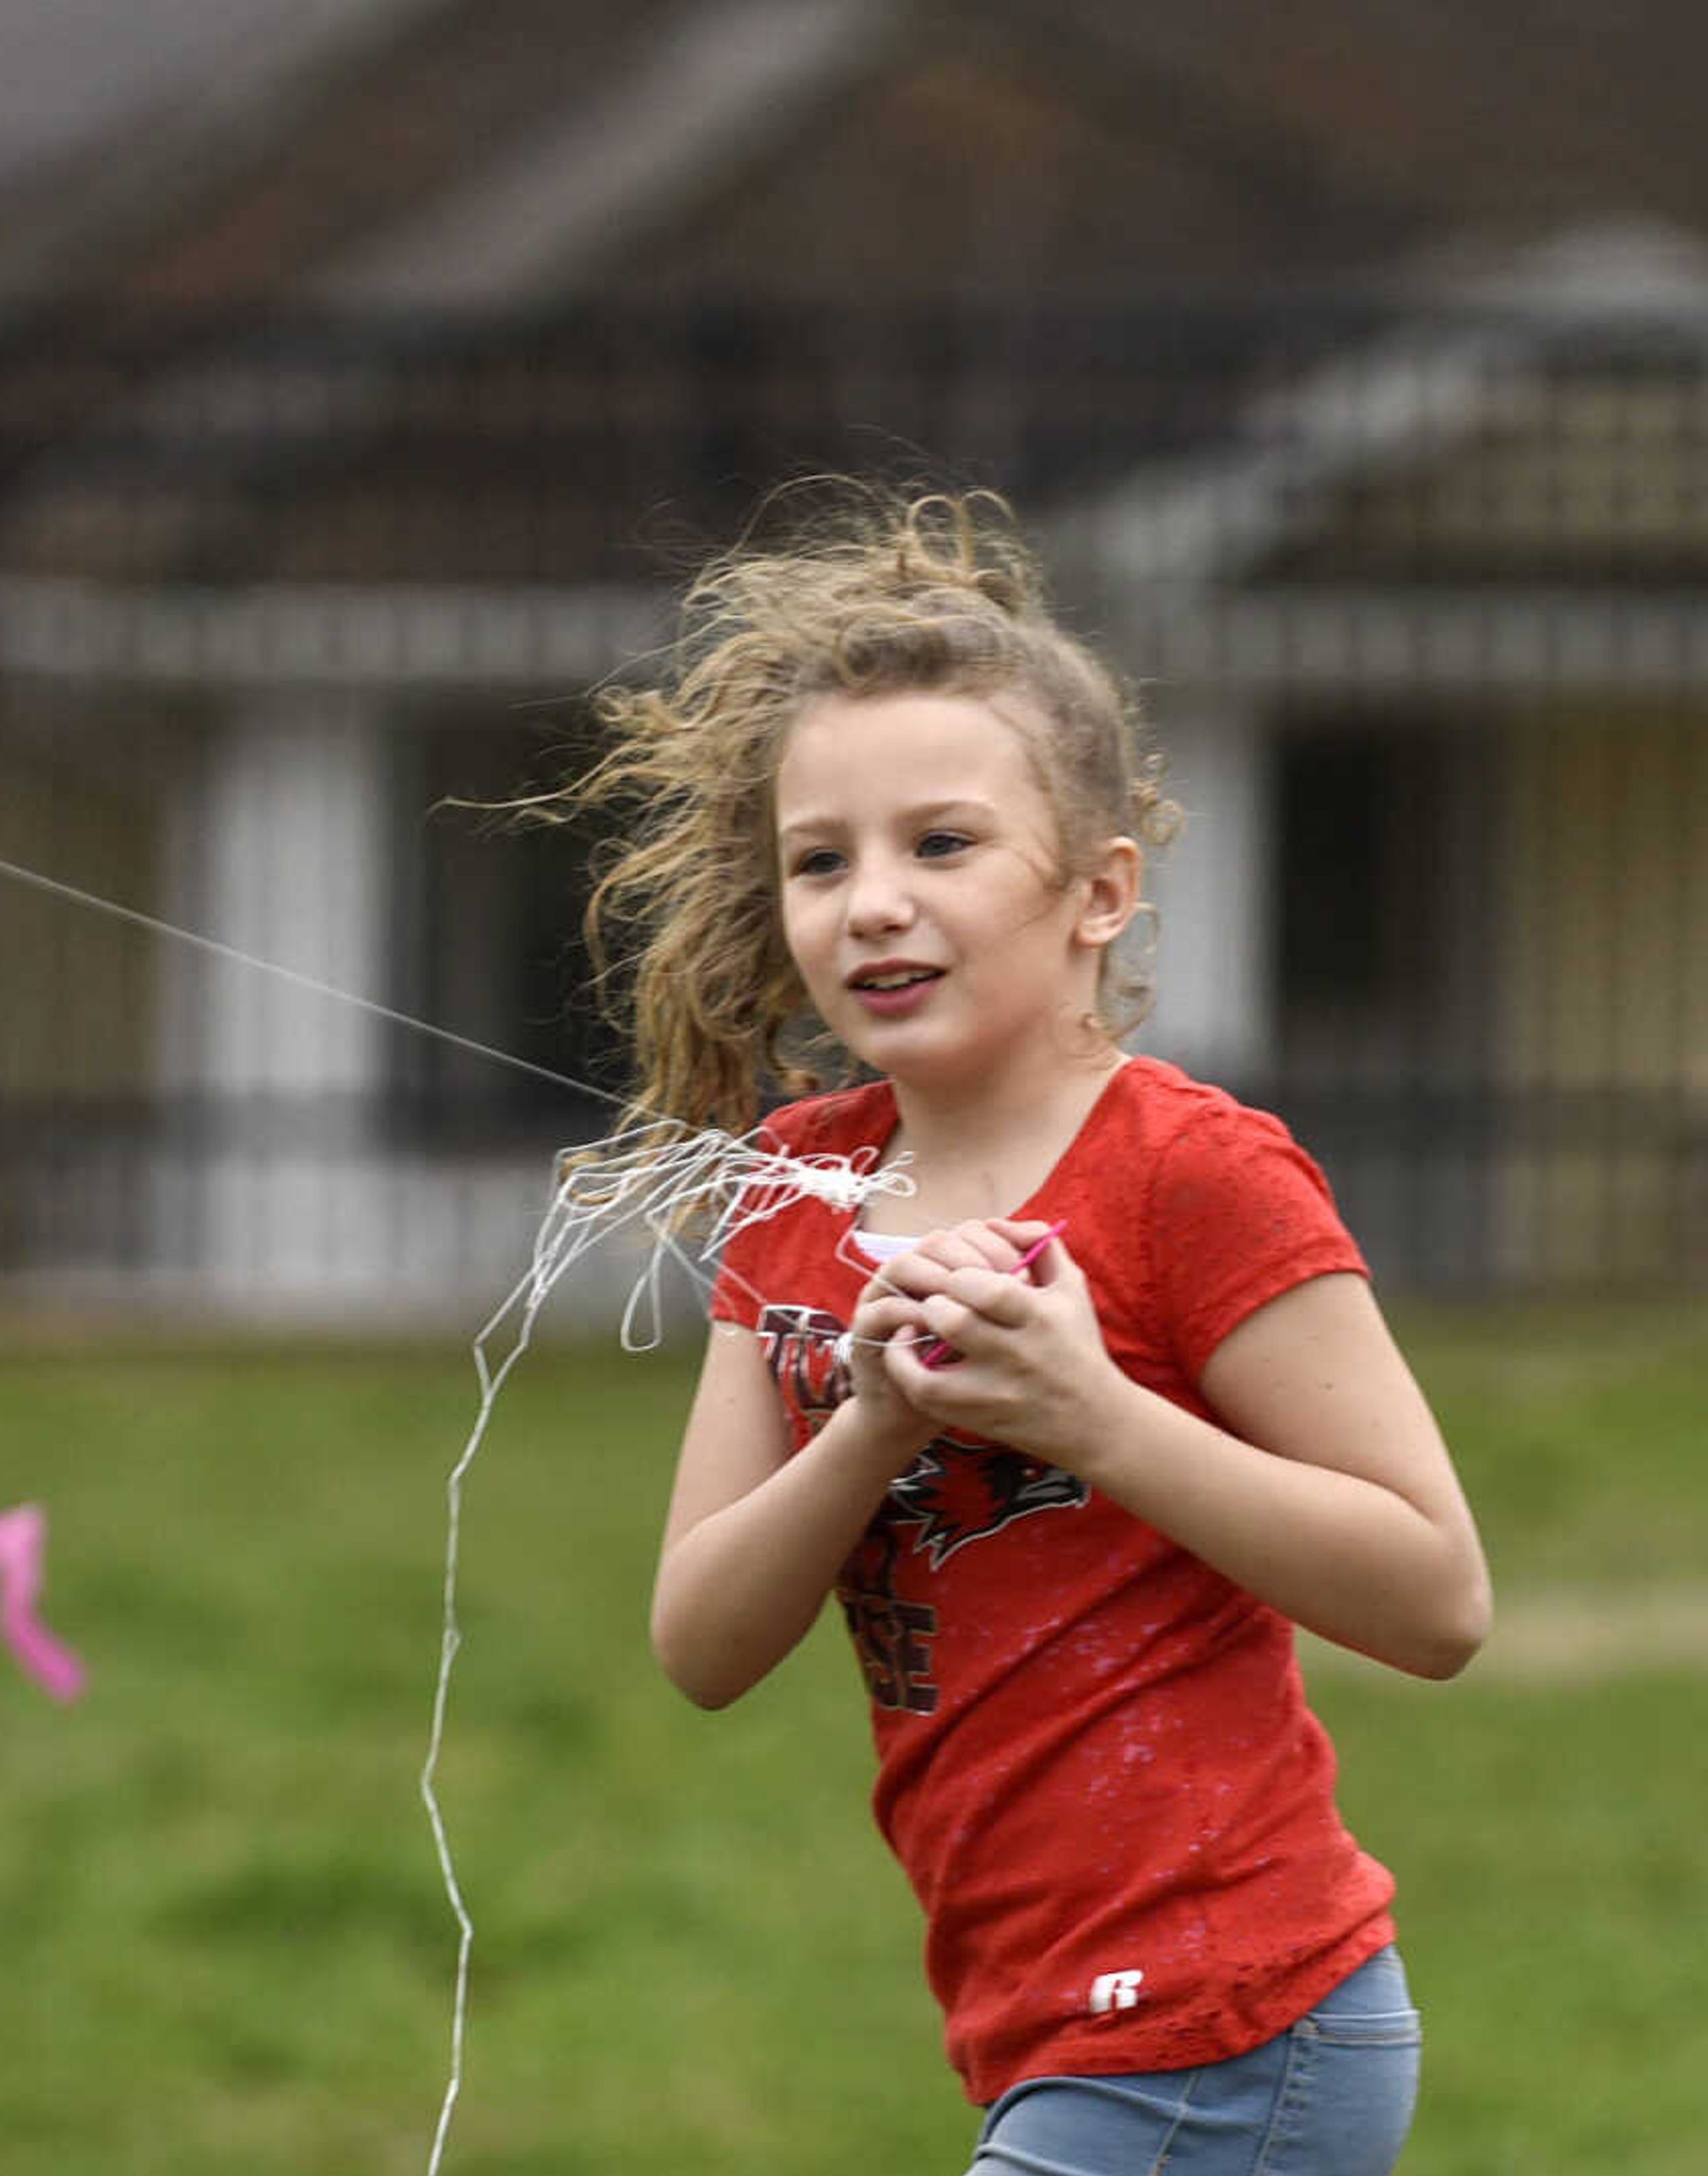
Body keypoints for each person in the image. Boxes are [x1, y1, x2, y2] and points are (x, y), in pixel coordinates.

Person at [583, 487, 1490, 2174]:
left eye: (940, 845)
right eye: (818, 860)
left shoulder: (1195, 1177)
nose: (870, 902)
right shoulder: (795, 1186)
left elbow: (1438, 1599)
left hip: (1228, 2025)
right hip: (1040, 2026)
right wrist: (871, 1426)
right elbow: (702, 1644)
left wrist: (1094, 1418)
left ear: (1097, 892)